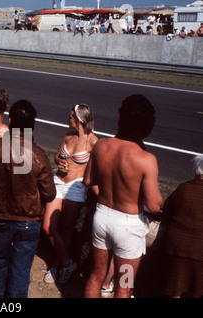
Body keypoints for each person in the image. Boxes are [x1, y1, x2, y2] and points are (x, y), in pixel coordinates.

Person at [83, 94, 163, 298]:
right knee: (124, 285)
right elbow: (154, 206)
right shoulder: (146, 159)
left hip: (101, 217)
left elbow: (88, 181)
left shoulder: (100, 145)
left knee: (95, 276)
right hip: (128, 227)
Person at [0, 100, 56, 298]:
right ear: (33, 125)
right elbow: (49, 194)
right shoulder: (39, 155)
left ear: (10, 120)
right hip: (28, 220)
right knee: (21, 267)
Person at [43, 104, 98, 284]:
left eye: (71, 116)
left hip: (76, 187)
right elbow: (58, 156)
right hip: (58, 182)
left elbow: (99, 166)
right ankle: (68, 262)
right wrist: (59, 162)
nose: (68, 119)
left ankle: (57, 265)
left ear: (79, 120)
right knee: (48, 226)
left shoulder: (93, 141)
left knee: (66, 229)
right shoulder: (68, 136)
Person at [158, 155, 203, 298]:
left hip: (175, 246)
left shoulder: (184, 188)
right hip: (199, 251)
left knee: (174, 289)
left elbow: (167, 210)